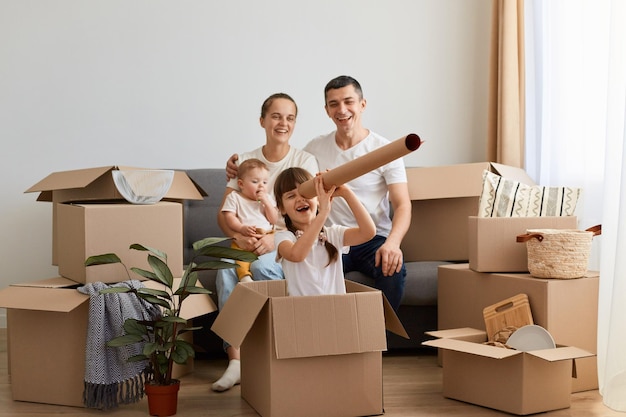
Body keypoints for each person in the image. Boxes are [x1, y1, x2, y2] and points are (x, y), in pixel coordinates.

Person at [227, 76, 411, 311]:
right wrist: (238, 168)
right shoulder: (314, 149)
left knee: (393, 268)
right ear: (327, 110)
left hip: (371, 240)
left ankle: (376, 339)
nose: (342, 110)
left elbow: (403, 205)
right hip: (326, 236)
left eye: (348, 101)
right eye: (334, 104)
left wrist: (393, 243)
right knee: (294, 272)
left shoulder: (385, 150)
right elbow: (287, 179)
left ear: (362, 104)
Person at [212, 93, 319, 392]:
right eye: (275, 116)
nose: (282, 123)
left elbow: (309, 213)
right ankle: (236, 360)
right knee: (225, 271)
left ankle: (274, 354)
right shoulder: (244, 162)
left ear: (295, 123)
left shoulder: (303, 161)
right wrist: (237, 235)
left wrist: (273, 238)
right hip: (244, 241)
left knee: (262, 270)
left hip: (285, 240)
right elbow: (224, 214)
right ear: (262, 121)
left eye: (290, 117)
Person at [273, 168, 375, 296]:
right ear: (282, 208)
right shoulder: (284, 237)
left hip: (335, 310)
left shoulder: (333, 234)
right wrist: (323, 214)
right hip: (302, 312)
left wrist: (346, 193)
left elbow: (368, 232)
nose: (300, 199)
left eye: (305, 194)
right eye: (291, 196)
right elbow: (296, 255)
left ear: (317, 198)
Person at [221, 158, 278, 282]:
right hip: (243, 236)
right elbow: (229, 217)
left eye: (264, 182)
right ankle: (244, 276)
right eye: (255, 181)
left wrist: (267, 203)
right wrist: (241, 228)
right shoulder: (234, 197)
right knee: (239, 258)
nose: (261, 186)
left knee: (265, 261)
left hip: (267, 235)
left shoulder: (267, 199)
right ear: (241, 184)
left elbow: (274, 220)